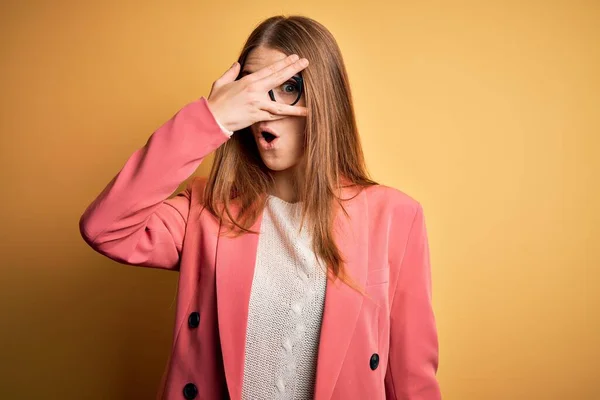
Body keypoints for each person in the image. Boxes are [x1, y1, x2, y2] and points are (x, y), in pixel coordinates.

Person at [79, 14, 441, 400]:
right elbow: (105, 228)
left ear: (324, 99)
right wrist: (210, 119)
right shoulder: (207, 211)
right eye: (252, 87)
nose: (266, 107)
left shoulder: (394, 217)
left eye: (287, 87)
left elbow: (411, 380)